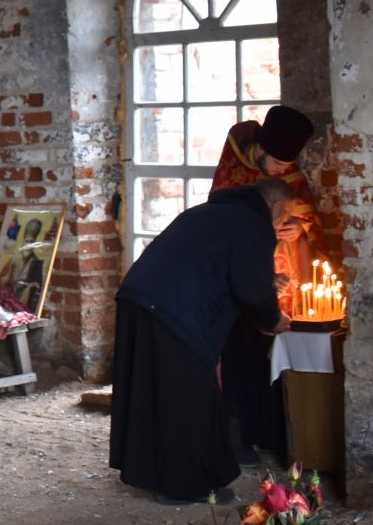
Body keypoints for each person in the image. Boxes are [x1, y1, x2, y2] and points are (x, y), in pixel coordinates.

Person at [111, 178, 296, 504]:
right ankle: (183, 486)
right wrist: (272, 319)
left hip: (141, 299)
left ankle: (154, 472)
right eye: (284, 218)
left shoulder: (216, 212)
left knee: (155, 392)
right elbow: (250, 289)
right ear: (276, 206)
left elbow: (226, 269)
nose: (281, 226)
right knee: (187, 396)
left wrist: (266, 285)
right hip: (175, 311)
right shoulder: (253, 222)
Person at [210, 105, 319, 462]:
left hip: (286, 280)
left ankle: (273, 434)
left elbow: (308, 215)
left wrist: (300, 228)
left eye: (288, 168)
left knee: (273, 358)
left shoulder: (289, 173)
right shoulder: (232, 171)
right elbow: (223, 226)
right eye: (278, 165)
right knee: (241, 358)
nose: (283, 172)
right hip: (246, 282)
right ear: (261, 149)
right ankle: (238, 436)